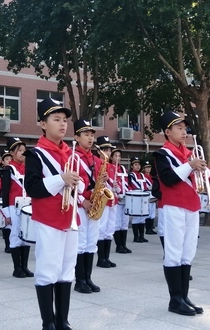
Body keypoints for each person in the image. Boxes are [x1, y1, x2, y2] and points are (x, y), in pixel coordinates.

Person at [25, 99, 82, 330]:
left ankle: (62, 320)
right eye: (56, 119)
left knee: (67, 270)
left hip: (71, 218)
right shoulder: (35, 155)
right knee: (48, 269)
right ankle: (47, 322)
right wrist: (61, 179)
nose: (62, 124)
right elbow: (33, 188)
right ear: (42, 124)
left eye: (65, 120)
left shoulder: (72, 154)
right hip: (48, 218)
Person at [153, 111, 210, 316]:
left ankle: (184, 297)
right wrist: (189, 166)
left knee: (187, 253)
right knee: (174, 252)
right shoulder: (162, 154)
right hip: (174, 206)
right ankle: (175, 300)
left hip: (192, 205)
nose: (184, 131)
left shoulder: (190, 153)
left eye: (184, 128)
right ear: (168, 132)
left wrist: (203, 170)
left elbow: (203, 178)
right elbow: (167, 179)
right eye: (179, 128)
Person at [72, 119, 102, 294]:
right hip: (80, 204)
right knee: (81, 243)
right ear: (76, 137)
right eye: (86, 134)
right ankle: (79, 280)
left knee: (91, 243)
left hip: (95, 204)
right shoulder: (72, 156)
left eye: (92, 135)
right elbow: (72, 182)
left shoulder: (96, 159)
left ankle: (88, 278)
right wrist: (82, 200)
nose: (90, 138)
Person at [0, 137, 34, 278]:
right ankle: (17, 268)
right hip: (14, 207)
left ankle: (25, 266)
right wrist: (6, 213)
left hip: (27, 206)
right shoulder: (8, 170)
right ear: (12, 153)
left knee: (26, 236)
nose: (22, 153)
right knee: (15, 236)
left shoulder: (28, 168)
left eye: (23, 150)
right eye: (19, 150)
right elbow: (5, 192)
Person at [94, 136, 119, 268]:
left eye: (109, 150)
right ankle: (101, 258)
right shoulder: (97, 162)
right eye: (105, 149)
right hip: (102, 200)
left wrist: (115, 185)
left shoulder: (112, 166)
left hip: (111, 200)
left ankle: (106, 257)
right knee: (102, 229)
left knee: (110, 229)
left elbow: (117, 185)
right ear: (99, 151)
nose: (108, 153)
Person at [112, 149, 131, 254]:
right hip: (117, 198)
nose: (118, 158)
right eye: (116, 156)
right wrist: (118, 192)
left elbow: (127, 182)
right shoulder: (111, 168)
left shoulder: (123, 168)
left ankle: (124, 245)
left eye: (119, 156)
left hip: (126, 197)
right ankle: (118, 246)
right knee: (117, 223)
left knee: (124, 222)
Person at [128, 157, 149, 243]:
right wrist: (142, 189)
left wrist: (146, 189)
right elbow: (133, 184)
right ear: (132, 166)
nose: (137, 166)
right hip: (136, 197)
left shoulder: (142, 175)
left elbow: (146, 184)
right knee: (136, 217)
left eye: (139, 164)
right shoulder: (131, 175)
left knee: (143, 217)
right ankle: (136, 237)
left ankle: (141, 236)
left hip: (143, 197)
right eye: (135, 164)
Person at [0, 150, 14, 254]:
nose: (9, 161)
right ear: (3, 162)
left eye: (10, 159)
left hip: (14, 201)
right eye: (7, 159)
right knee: (6, 224)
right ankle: (7, 244)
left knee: (12, 224)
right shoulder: (1, 173)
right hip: (2, 199)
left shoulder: (14, 171)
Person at [142, 161, 158, 235]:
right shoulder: (143, 176)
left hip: (152, 195)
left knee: (152, 212)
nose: (148, 169)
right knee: (148, 212)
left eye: (149, 167)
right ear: (144, 168)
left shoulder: (152, 177)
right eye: (147, 167)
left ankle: (151, 227)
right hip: (147, 194)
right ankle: (148, 228)